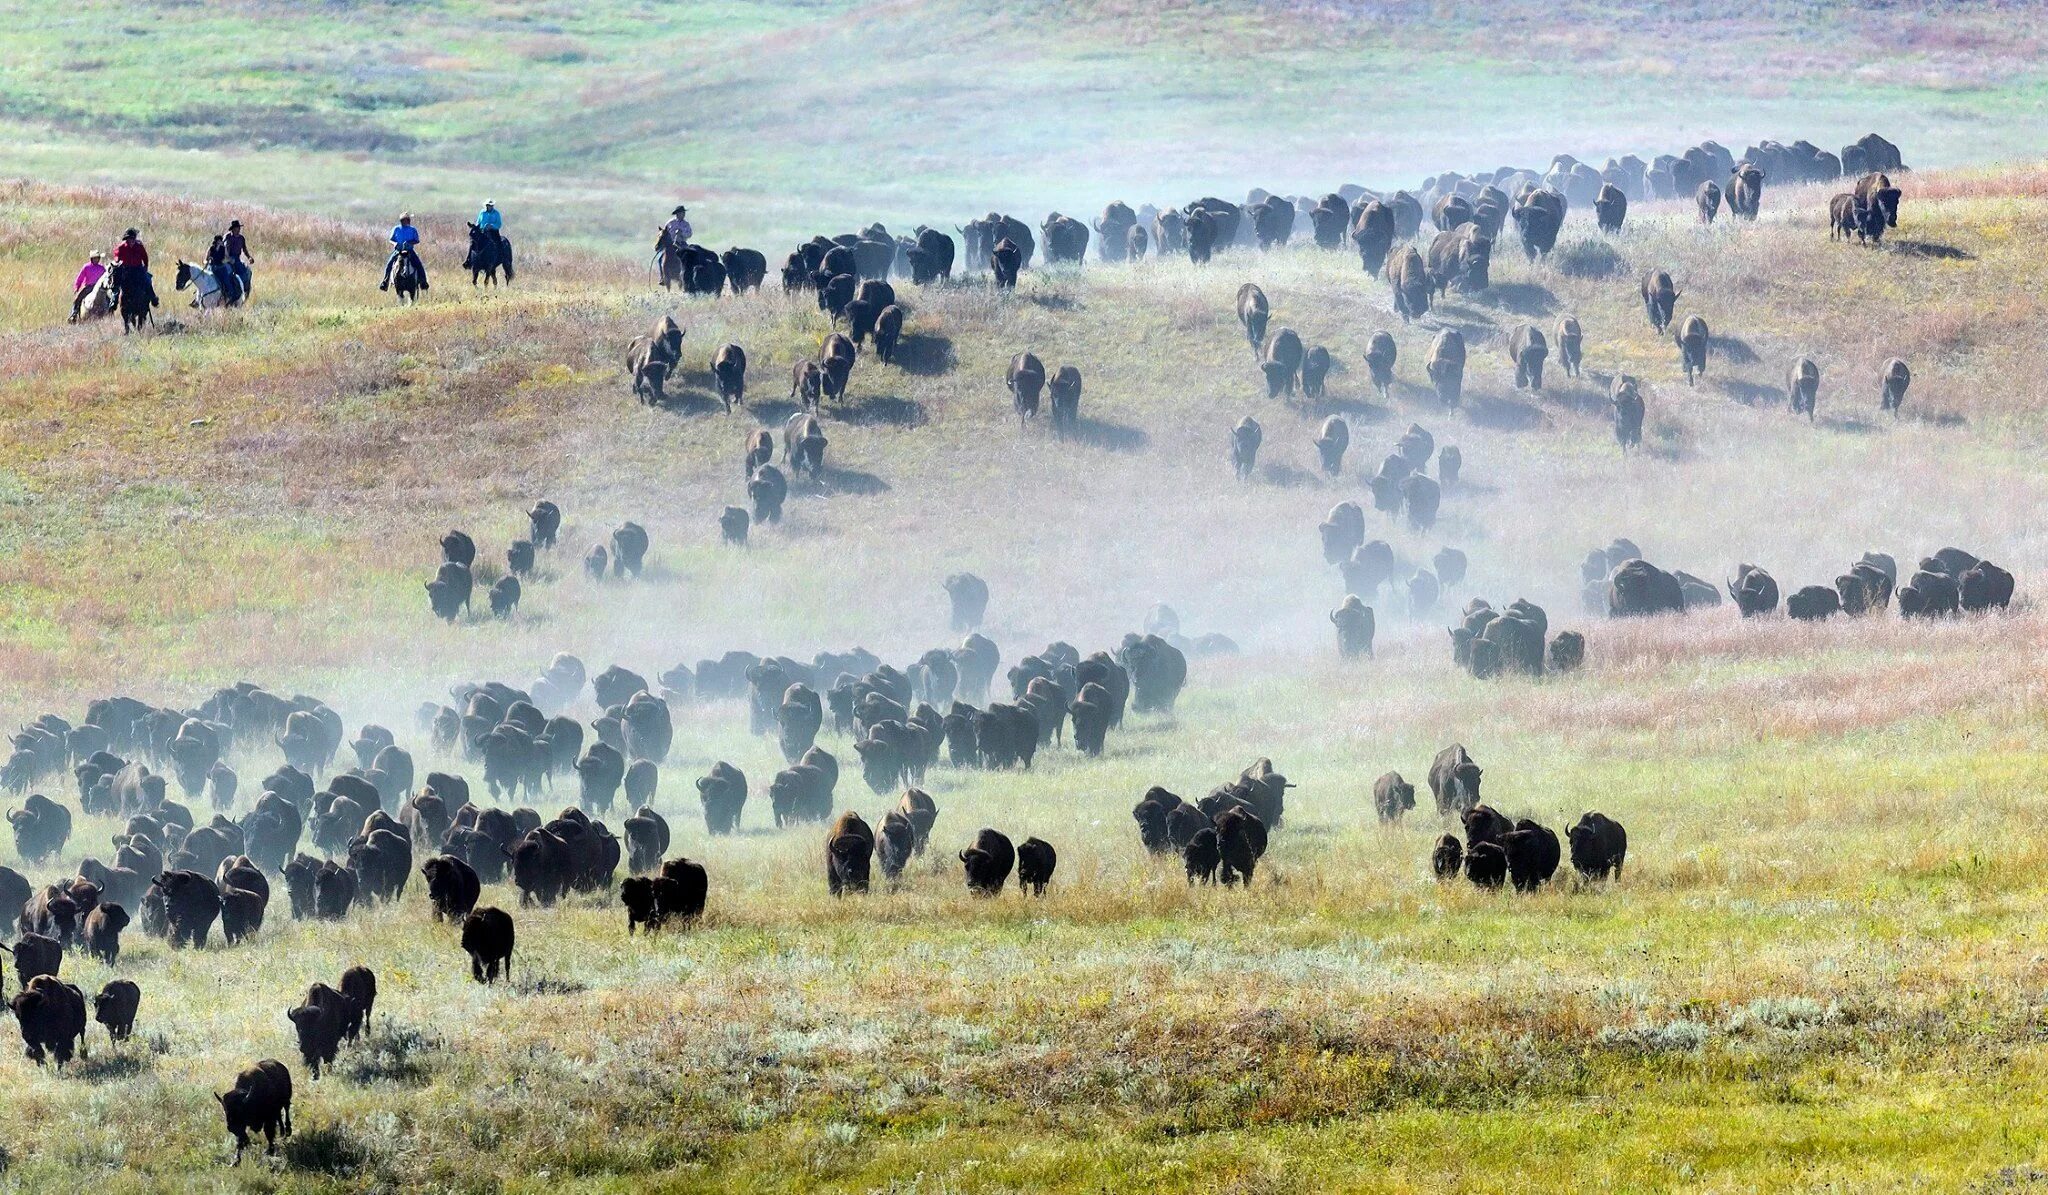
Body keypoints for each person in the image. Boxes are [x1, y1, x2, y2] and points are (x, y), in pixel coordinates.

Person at [110, 228, 157, 311]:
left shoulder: (139, 246)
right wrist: (117, 261)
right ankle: (114, 299)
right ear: (127, 239)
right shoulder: (121, 247)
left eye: (133, 238)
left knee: (147, 280)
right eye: (130, 239)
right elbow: (116, 255)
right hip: (125, 269)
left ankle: (153, 297)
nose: (131, 241)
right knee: (116, 281)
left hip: (138, 268)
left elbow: (145, 257)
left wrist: (145, 266)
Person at [380, 213, 428, 291]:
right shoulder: (396, 229)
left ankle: (423, 282)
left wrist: (410, 242)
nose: (404, 221)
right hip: (398, 251)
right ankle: (385, 282)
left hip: (409, 250)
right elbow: (391, 239)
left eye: (406, 220)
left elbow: (417, 240)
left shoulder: (413, 229)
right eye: (403, 220)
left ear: (408, 221)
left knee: (419, 264)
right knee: (389, 263)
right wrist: (395, 243)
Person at [69, 250, 107, 322]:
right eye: (94, 258)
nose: (96, 260)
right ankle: (73, 314)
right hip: (89, 287)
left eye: (97, 258)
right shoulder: (86, 267)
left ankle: (109, 313)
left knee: (108, 299)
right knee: (78, 299)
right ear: (91, 259)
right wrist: (77, 287)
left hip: (100, 288)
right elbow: (80, 278)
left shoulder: (102, 268)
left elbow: (106, 278)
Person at [205, 235, 242, 305]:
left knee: (226, 281)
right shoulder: (211, 248)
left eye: (221, 241)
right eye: (220, 241)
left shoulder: (223, 248)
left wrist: (229, 260)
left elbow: (227, 257)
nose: (221, 242)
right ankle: (198, 298)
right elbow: (205, 259)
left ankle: (231, 295)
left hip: (221, 268)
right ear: (216, 242)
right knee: (204, 281)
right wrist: (207, 261)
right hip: (212, 268)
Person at [224, 219, 253, 300]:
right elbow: (225, 248)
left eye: (239, 228)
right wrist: (229, 259)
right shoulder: (228, 237)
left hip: (237, 258)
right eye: (237, 228)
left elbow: (244, 249)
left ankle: (243, 290)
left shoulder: (241, 238)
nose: (238, 229)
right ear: (233, 229)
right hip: (227, 258)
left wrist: (249, 257)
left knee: (245, 273)